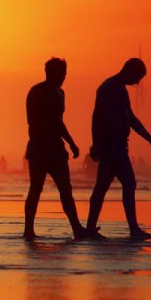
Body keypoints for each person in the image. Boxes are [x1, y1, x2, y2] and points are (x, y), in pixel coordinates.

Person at [86, 58, 151, 241]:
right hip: (112, 146)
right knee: (126, 184)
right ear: (129, 71)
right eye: (137, 77)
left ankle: (91, 228)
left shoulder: (119, 89)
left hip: (117, 145)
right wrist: (98, 144)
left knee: (103, 187)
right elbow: (97, 118)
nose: (137, 83)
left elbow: (131, 119)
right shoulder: (109, 89)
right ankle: (132, 230)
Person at [24, 58, 87, 240]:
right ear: (48, 73)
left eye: (64, 74)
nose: (62, 78)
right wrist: (46, 138)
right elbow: (33, 121)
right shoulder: (36, 92)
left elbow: (59, 121)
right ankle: (28, 230)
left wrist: (71, 142)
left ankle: (77, 228)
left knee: (66, 190)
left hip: (57, 148)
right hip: (39, 148)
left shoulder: (61, 94)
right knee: (36, 188)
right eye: (59, 74)